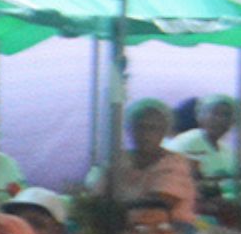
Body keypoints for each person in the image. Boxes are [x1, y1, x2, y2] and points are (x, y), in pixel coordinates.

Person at [85, 97, 198, 226]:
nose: (146, 134)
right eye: (140, 127)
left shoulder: (175, 164)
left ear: (164, 131)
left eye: (153, 128)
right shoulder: (119, 159)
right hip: (126, 225)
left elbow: (156, 206)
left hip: (170, 228)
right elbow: (95, 195)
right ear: (129, 130)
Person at [166, 93, 241, 200]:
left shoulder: (228, 151)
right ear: (200, 116)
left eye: (226, 115)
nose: (220, 120)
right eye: (215, 114)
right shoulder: (187, 142)